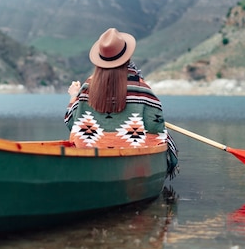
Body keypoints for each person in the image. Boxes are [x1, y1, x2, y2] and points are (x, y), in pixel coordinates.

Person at [64, 28, 179, 179]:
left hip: (91, 162)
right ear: (127, 58)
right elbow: (156, 130)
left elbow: (72, 123)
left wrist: (73, 96)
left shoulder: (87, 87)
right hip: (131, 165)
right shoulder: (142, 89)